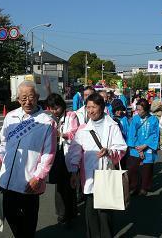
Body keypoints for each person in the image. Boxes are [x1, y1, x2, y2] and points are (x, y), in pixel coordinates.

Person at [0, 81, 57, 238]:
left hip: (29, 183)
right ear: (18, 99)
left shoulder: (47, 122)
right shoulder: (11, 117)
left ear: (38, 97)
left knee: (28, 225)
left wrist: (38, 177)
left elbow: (49, 154)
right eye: (23, 98)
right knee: (11, 218)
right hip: (7, 181)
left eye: (31, 97)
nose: (27, 101)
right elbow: (4, 143)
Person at [66, 93, 127, 238]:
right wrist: (73, 171)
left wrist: (109, 152)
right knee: (90, 215)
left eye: (94, 107)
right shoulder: (82, 129)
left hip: (106, 176)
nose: (91, 111)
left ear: (102, 107)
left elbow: (122, 148)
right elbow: (75, 152)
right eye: (88, 107)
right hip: (88, 177)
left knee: (105, 215)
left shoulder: (112, 126)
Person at [46, 93, 79, 226]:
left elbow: (76, 133)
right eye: (52, 108)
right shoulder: (50, 119)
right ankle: (61, 214)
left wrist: (62, 134)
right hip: (56, 154)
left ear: (62, 105)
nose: (55, 111)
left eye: (57, 107)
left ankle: (71, 211)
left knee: (69, 184)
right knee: (59, 186)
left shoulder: (71, 116)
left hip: (68, 152)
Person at [127, 98, 160, 196]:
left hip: (148, 147)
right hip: (136, 147)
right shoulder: (135, 119)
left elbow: (155, 135)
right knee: (133, 168)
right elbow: (132, 134)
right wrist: (139, 148)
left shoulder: (153, 119)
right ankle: (133, 186)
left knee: (147, 169)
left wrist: (145, 146)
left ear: (146, 110)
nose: (137, 111)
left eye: (140, 110)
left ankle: (144, 187)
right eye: (137, 109)